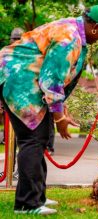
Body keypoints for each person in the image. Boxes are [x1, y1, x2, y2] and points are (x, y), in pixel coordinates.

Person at [0, 5, 98, 215]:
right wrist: (59, 116)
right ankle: (27, 204)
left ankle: (37, 196)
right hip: (17, 79)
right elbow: (51, 79)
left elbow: (60, 80)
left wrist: (62, 111)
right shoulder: (69, 38)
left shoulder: (74, 33)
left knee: (41, 136)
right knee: (32, 138)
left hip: (28, 81)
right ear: (95, 27)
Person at [0, 27, 25, 180]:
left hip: (22, 104)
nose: (15, 42)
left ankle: (18, 171)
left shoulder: (26, 55)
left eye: (18, 39)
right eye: (14, 39)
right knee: (10, 140)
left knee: (23, 141)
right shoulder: (5, 53)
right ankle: (10, 170)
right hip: (10, 103)